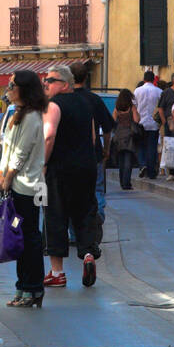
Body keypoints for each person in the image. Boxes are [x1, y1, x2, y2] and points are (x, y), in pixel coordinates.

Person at [41, 66, 101, 288]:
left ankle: (57, 273)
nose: (46, 83)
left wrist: (43, 164)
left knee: (56, 216)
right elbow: (94, 136)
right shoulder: (87, 104)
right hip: (86, 167)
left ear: (65, 84)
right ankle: (88, 255)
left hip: (60, 169)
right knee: (85, 213)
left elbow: (49, 136)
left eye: (51, 80)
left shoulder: (53, 105)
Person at [0, 72, 48, 307]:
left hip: (30, 185)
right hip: (20, 185)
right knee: (19, 236)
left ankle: (32, 288)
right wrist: (0, 170)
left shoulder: (33, 118)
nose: (9, 88)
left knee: (29, 237)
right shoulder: (19, 115)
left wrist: (8, 175)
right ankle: (22, 286)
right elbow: (7, 146)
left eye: (13, 85)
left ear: (25, 89)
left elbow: (22, 152)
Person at [72, 60, 114, 225]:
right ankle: (98, 215)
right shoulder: (94, 100)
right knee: (96, 188)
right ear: (86, 77)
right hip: (94, 152)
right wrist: (106, 150)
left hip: (72, 154)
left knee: (74, 193)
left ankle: (76, 230)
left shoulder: (64, 100)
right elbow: (108, 128)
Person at [132, 71, 161, 179]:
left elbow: (134, 105)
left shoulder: (137, 91)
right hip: (153, 123)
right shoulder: (159, 91)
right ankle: (151, 171)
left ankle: (142, 164)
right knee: (152, 147)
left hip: (140, 122)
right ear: (154, 80)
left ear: (144, 79)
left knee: (141, 146)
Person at [110, 89, 140, 190]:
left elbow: (112, 121)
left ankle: (122, 182)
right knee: (128, 160)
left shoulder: (116, 109)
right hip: (129, 135)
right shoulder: (132, 108)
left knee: (121, 160)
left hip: (118, 136)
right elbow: (136, 120)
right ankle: (126, 183)